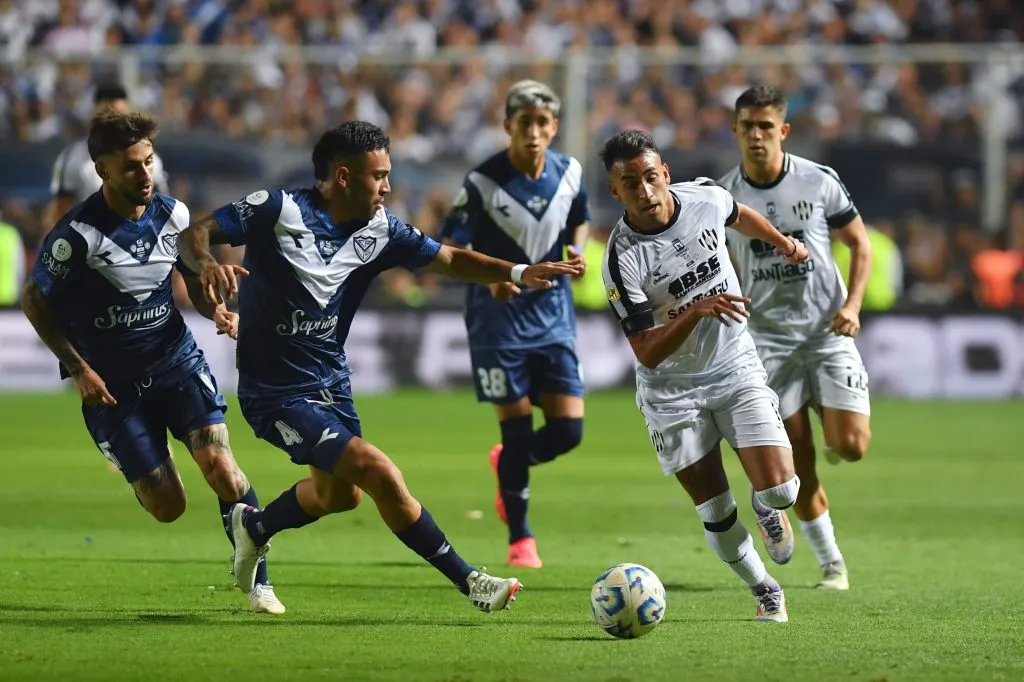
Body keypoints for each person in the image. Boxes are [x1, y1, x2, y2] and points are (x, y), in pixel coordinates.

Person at [178, 121, 582, 612]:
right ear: (344, 177)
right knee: (380, 471)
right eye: (380, 175)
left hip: (332, 385)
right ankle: (471, 581)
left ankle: (255, 526)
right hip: (274, 394)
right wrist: (206, 265)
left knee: (339, 496)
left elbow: (449, 258)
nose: (389, 187)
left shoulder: (381, 230)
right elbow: (195, 233)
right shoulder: (278, 209)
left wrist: (517, 271)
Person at [21, 111, 283, 614]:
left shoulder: (175, 215)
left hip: (175, 361)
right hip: (111, 384)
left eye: (149, 162)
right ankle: (132, 455)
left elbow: (195, 280)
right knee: (169, 507)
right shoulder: (75, 235)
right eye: (131, 167)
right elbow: (35, 299)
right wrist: (78, 368)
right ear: (102, 171)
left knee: (224, 471)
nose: (145, 175)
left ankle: (257, 580)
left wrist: (219, 308)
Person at [598, 129, 810, 622]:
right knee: (714, 510)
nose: (645, 192)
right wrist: (695, 312)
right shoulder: (621, 259)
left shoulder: (704, 198)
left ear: (665, 173)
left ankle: (767, 509)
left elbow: (739, 215)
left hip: (734, 367)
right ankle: (764, 589)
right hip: (672, 391)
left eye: (651, 177)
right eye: (630, 184)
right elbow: (646, 351)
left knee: (782, 490)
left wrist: (782, 242)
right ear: (615, 191)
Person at [718, 86, 873, 591]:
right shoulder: (722, 198)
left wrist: (852, 306)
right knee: (797, 467)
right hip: (767, 345)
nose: (757, 136)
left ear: (783, 131)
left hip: (827, 332)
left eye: (767, 127)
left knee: (850, 448)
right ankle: (833, 564)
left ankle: (835, 430)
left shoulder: (818, 180)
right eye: (748, 127)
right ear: (736, 131)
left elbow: (861, 245)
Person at [440, 80, 589, 569]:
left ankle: (508, 461)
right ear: (508, 126)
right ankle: (521, 540)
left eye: (542, 123)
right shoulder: (483, 182)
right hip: (497, 321)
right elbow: (451, 246)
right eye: (524, 123)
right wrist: (491, 281)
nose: (533, 132)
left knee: (568, 432)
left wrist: (578, 248)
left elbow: (579, 217)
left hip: (552, 315)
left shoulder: (570, 173)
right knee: (519, 428)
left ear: (554, 127)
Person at [47, 83, 169, 226]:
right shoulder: (72, 159)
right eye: (107, 116)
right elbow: (59, 211)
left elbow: (162, 208)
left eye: (119, 116)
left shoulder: (150, 159)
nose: (113, 123)